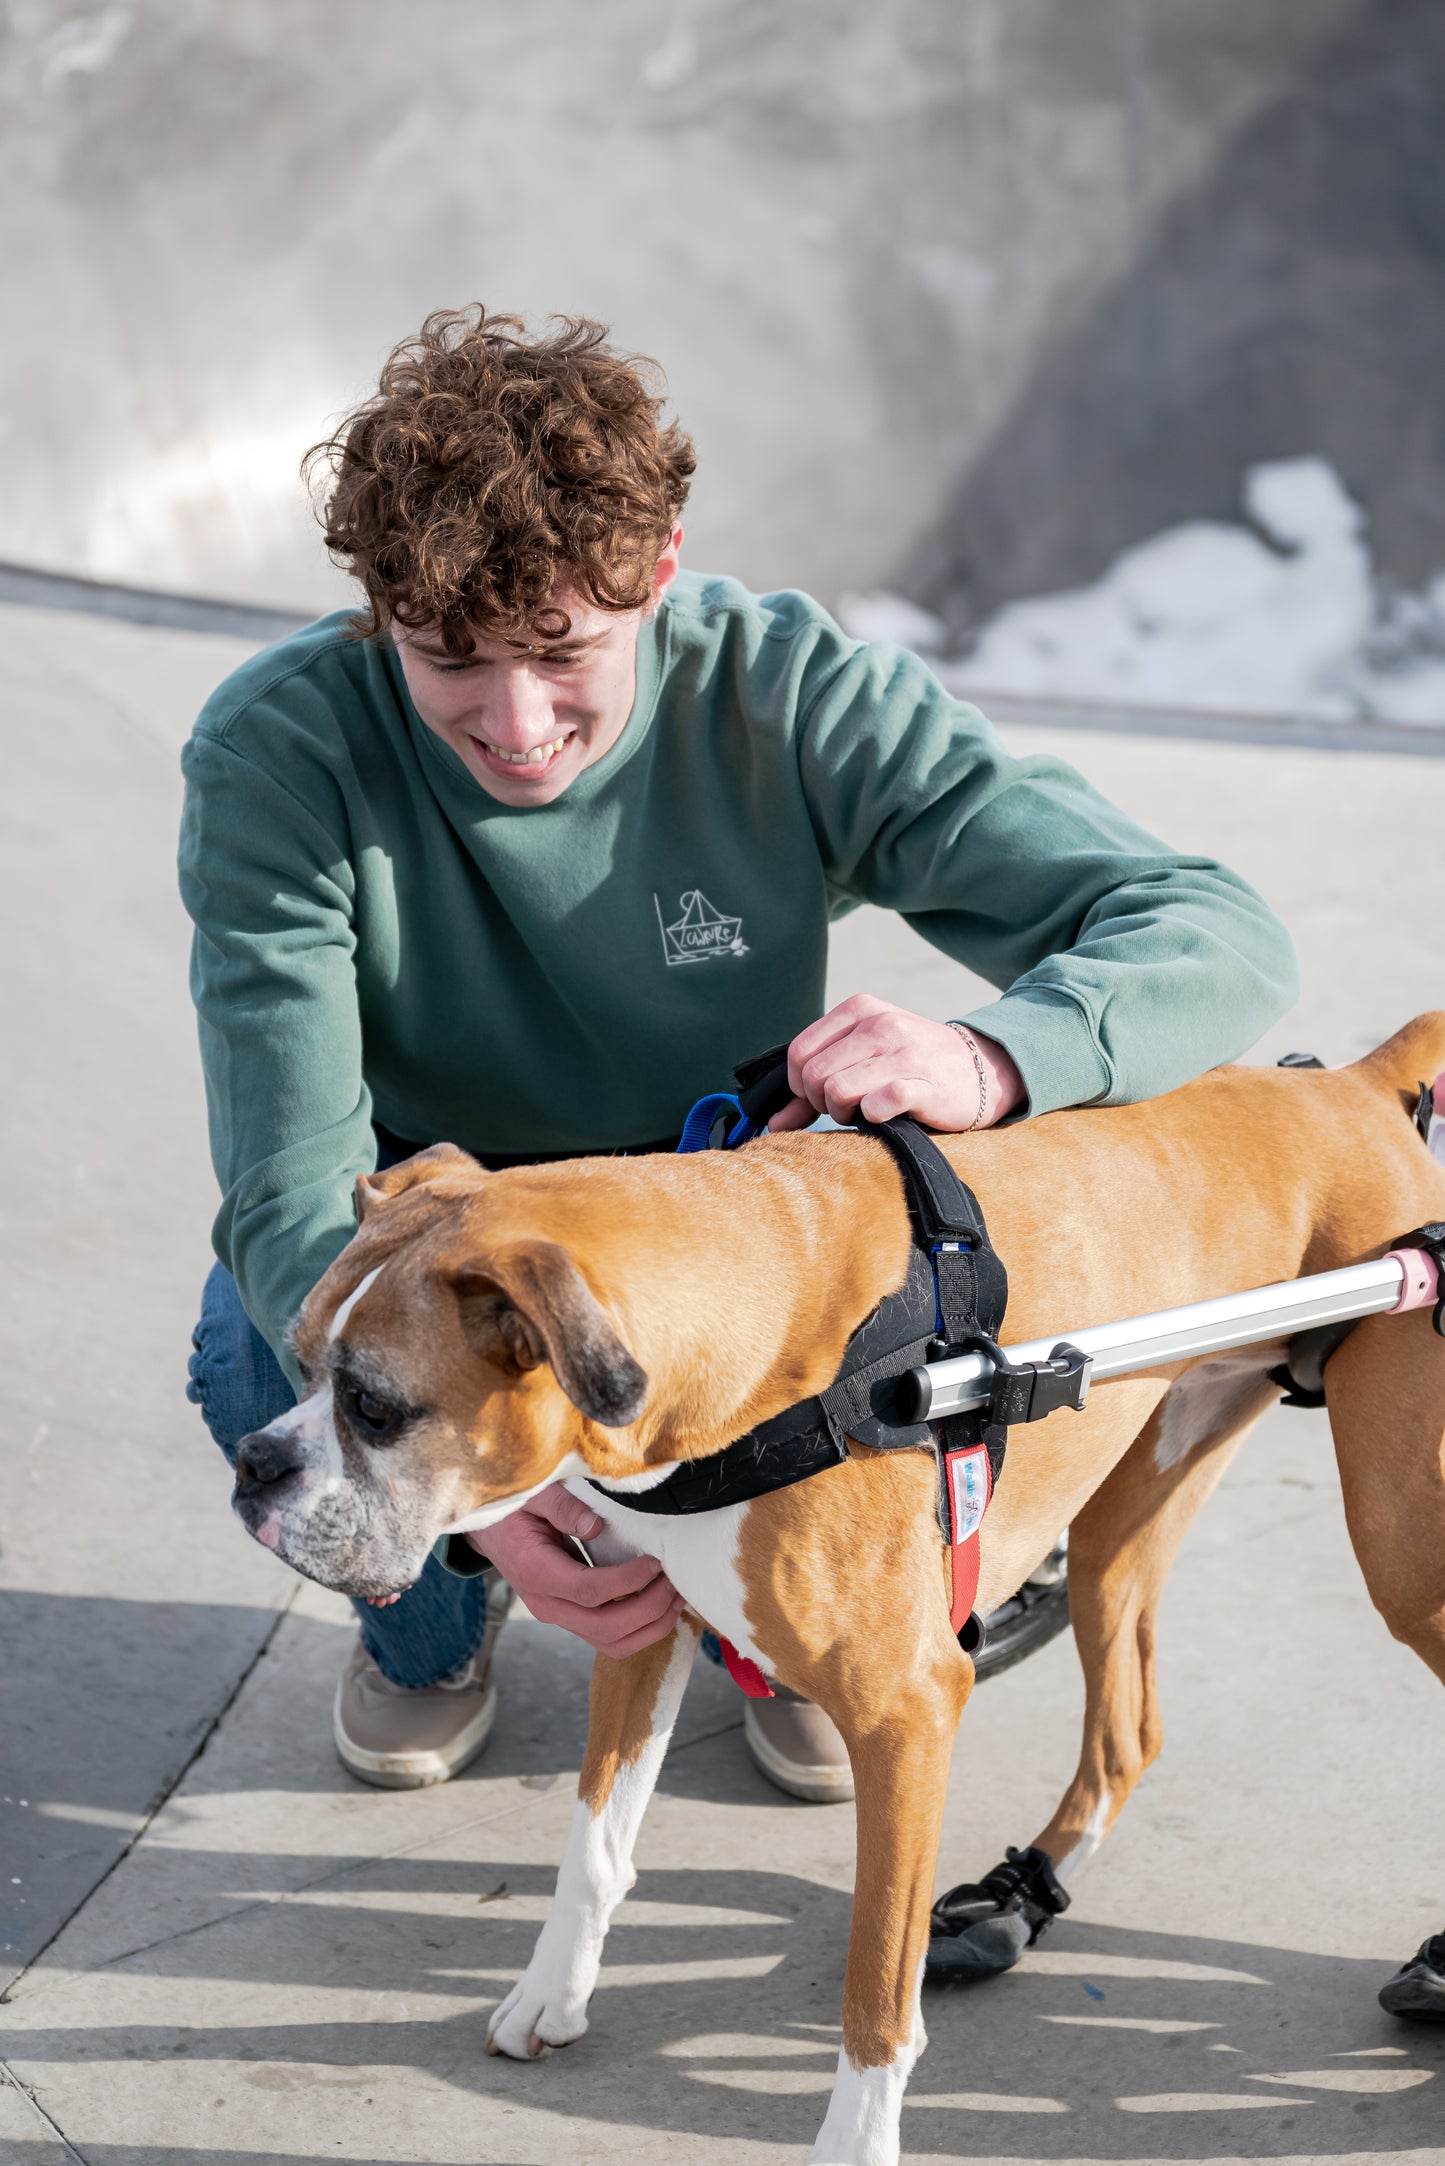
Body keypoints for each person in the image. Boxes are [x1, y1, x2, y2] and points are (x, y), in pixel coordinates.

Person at [180, 304, 1297, 1806]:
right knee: (259, 1338)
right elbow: (288, 1185)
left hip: (723, 1262)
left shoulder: (787, 692)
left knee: (832, 1669)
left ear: (659, 572)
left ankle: (770, 1616)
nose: (514, 724)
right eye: (449, 658)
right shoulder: (280, 751)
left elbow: (1211, 931)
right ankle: (430, 1615)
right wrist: (487, 1518)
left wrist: (993, 1054)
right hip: (454, 1252)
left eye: (562, 651)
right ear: (380, 612)